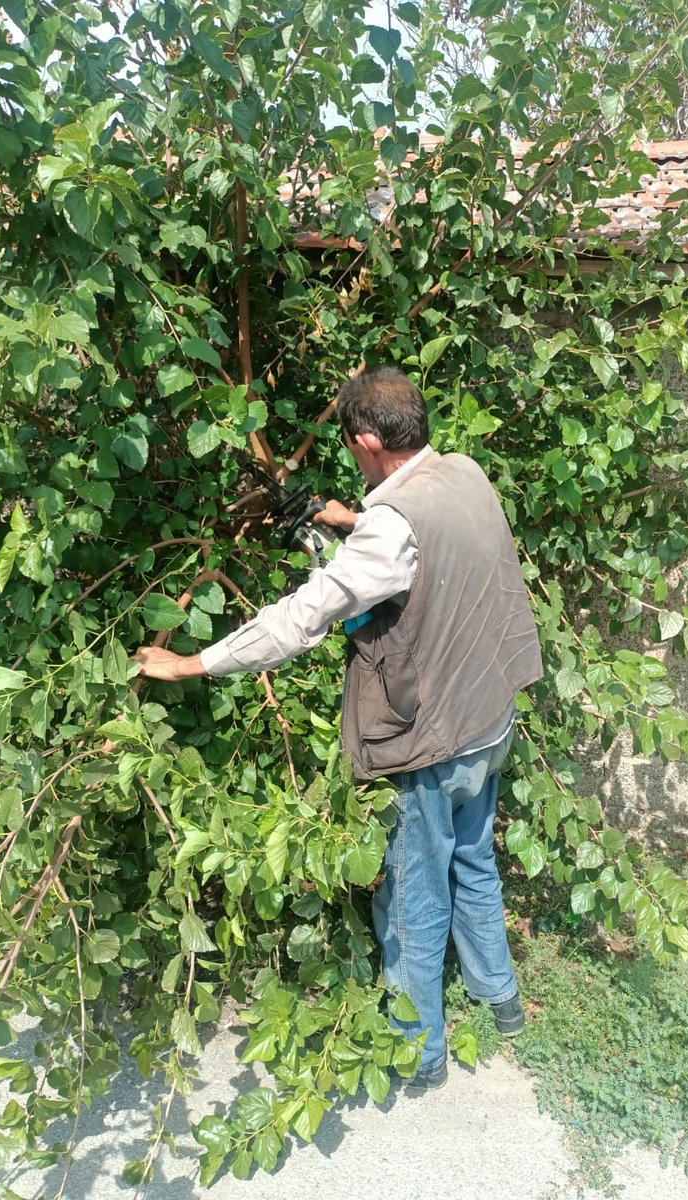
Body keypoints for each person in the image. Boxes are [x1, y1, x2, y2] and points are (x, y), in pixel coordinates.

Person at [135, 367, 543, 1089]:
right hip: (489, 716)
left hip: (431, 741)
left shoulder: (393, 526)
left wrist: (188, 664)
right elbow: (423, 543)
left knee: (413, 898)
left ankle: (420, 1058)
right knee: (474, 860)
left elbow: (300, 619)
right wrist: (347, 521)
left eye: (352, 449)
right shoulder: (464, 472)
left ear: (364, 439)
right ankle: (501, 1000)